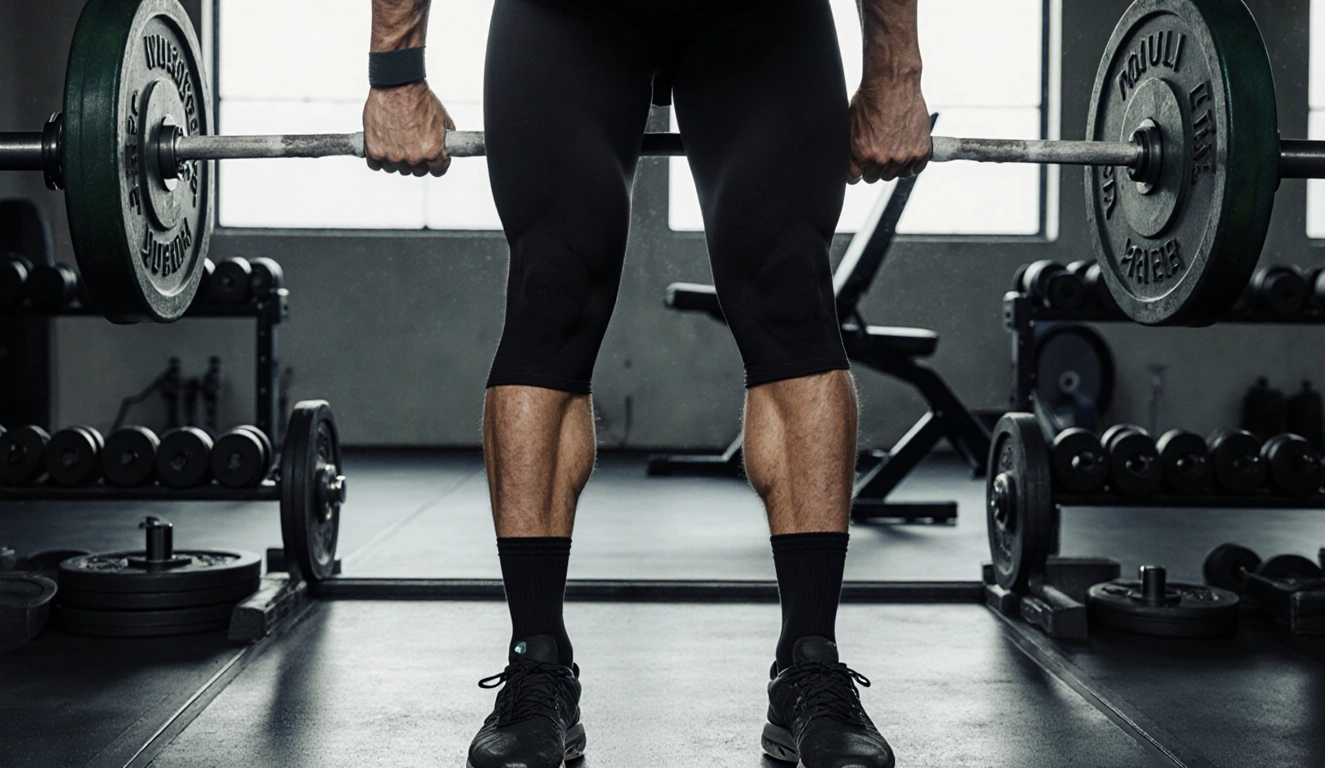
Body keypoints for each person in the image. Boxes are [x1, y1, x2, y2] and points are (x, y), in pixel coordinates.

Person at [363, 0, 931, 764]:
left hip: (761, 22)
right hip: (567, 16)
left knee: (791, 291)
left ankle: (810, 666)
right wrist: (397, 71)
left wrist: (895, 72)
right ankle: (538, 665)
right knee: (551, 291)